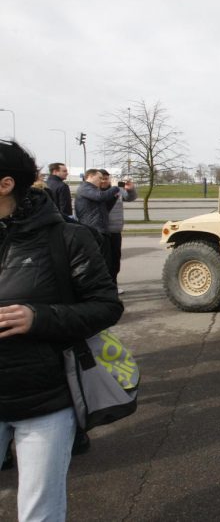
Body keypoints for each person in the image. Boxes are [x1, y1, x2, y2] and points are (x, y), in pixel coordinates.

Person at [0, 140, 123, 521]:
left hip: (45, 402)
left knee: (39, 511)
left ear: (5, 184)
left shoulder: (67, 237)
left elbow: (106, 306)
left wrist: (38, 318)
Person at [74, 169, 120, 271]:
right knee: (101, 262)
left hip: (100, 229)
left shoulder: (93, 190)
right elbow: (100, 197)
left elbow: (105, 209)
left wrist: (114, 197)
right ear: (90, 176)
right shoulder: (85, 188)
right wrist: (115, 187)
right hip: (94, 230)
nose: (102, 181)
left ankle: (107, 285)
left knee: (107, 261)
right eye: (99, 178)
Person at [99, 170, 138, 288]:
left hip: (115, 231)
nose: (104, 181)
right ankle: (104, 287)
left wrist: (130, 189)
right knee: (104, 261)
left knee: (115, 260)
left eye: (106, 178)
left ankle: (113, 284)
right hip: (101, 231)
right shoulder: (96, 192)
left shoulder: (117, 190)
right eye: (102, 179)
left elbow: (130, 197)